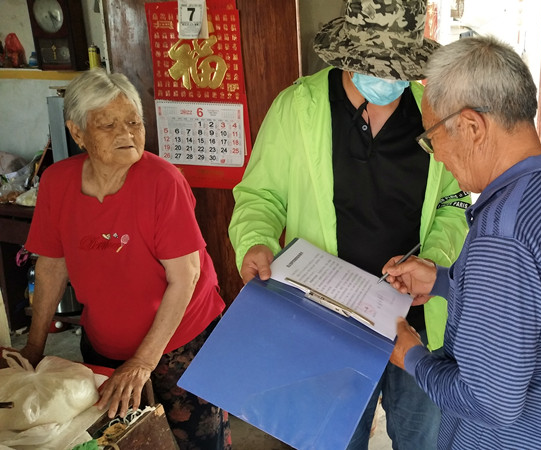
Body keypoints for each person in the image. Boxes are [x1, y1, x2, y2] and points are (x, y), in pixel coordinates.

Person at [227, 0, 469, 448]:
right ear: (348, 53)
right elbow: (260, 195)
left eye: (398, 67)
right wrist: (256, 241)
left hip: (413, 323)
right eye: (374, 64)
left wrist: (433, 260)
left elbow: (454, 203)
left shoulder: (433, 113)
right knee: (331, 441)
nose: (387, 77)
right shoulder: (299, 107)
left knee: (424, 440)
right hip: (326, 320)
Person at [382, 35, 541, 449]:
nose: (436, 155)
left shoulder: (503, 232)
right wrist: (443, 281)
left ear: (472, 127)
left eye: (432, 137)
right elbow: (540, 309)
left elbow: (490, 402)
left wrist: (412, 356)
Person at [4, 69, 230, 449]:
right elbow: (52, 266)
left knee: (197, 443)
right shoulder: (58, 183)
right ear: (77, 133)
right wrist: (34, 347)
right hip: (103, 344)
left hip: (182, 344)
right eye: (108, 125)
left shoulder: (163, 181)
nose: (126, 134)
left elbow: (185, 277)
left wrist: (142, 363)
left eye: (133, 122)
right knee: (116, 441)